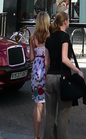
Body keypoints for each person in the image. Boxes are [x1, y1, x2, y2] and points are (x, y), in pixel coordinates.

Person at [44, 12, 83, 139]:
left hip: (50, 77)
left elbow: (46, 62)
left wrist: (46, 76)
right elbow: (64, 59)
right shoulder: (64, 37)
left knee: (49, 115)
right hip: (62, 79)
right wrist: (77, 70)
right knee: (62, 116)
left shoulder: (49, 38)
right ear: (65, 22)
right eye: (69, 20)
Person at [30, 11, 50, 139]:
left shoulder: (33, 37)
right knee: (48, 104)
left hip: (36, 71)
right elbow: (48, 60)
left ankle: (36, 136)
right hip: (45, 70)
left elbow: (31, 57)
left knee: (38, 105)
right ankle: (46, 135)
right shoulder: (49, 36)